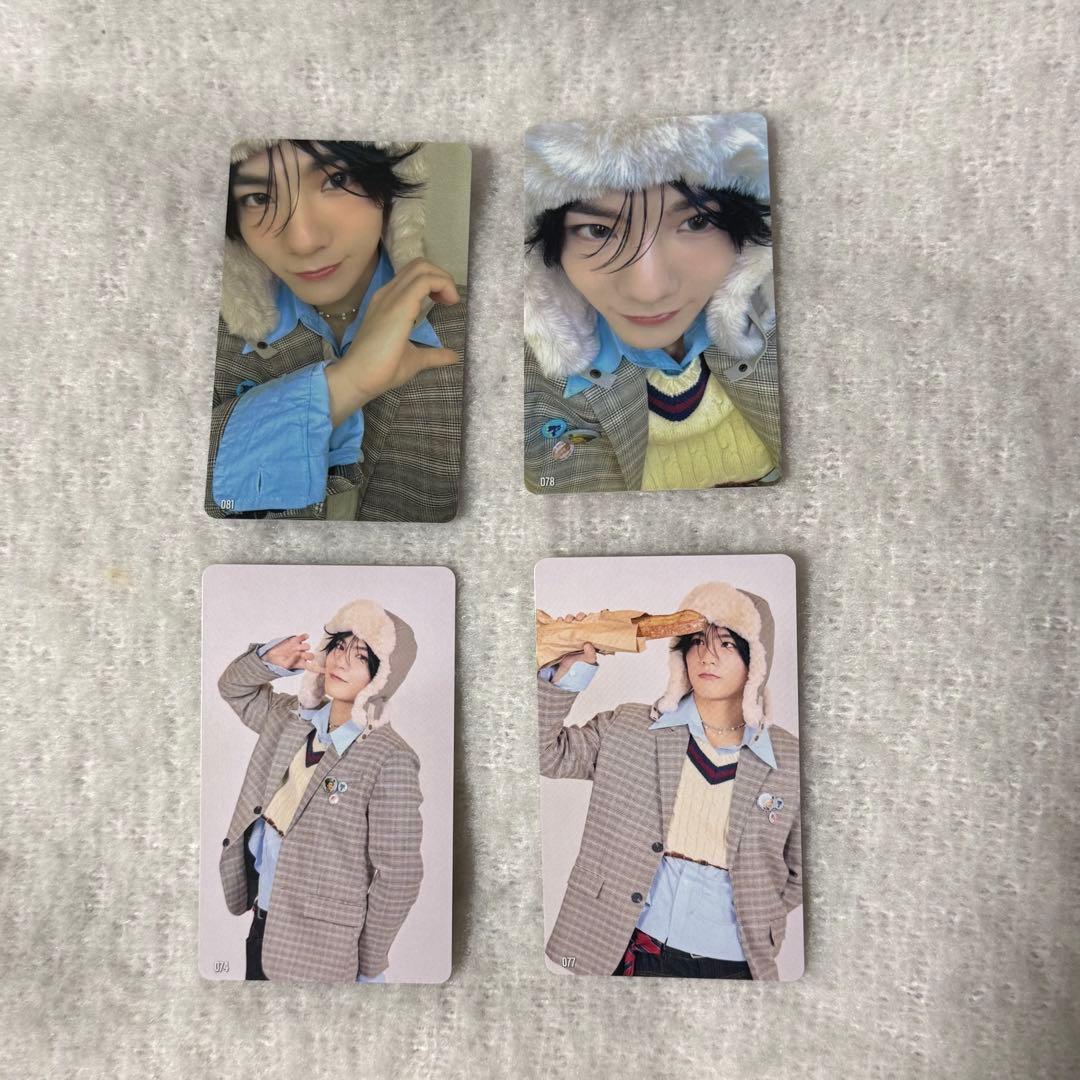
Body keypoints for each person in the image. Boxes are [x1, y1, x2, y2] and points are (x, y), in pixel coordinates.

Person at [537, 581, 801, 979]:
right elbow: (545, 753)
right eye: (696, 641)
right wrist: (565, 675)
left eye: (727, 643)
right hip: (619, 945)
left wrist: (759, 910)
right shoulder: (628, 726)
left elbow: (802, 871)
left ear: (757, 661)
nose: (707, 655)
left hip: (733, 960)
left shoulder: (790, 758)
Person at [206, 139, 466, 521]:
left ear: (392, 187)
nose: (303, 241)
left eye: (337, 180)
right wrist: (345, 385)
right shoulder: (199, 336)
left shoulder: (484, 328)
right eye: (259, 198)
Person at [523, 113, 780, 493]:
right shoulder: (522, 374)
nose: (649, 291)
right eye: (599, 231)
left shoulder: (793, 317)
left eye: (697, 222)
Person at [217, 599, 423, 982]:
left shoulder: (389, 757)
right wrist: (269, 661)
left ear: (382, 677)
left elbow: (399, 874)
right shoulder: (288, 717)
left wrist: (367, 964)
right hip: (263, 925)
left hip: (323, 950)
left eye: (361, 656)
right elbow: (234, 689)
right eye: (339, 646)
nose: (341, 661)